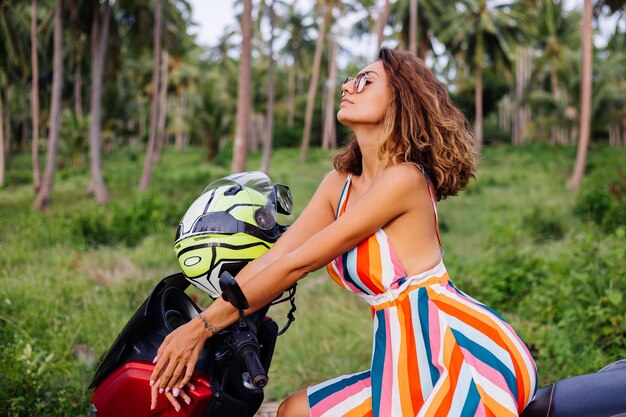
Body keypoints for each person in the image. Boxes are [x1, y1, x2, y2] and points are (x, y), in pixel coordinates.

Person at [149, 47, 538, 416]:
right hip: (399, 360)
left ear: (400, 100)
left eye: (365, 82)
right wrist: (205, 316)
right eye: (350, 79)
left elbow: (301, 262)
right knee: (293, 411)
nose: (347, 86)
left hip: (451, 353)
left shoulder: (404, 179)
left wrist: (202, 327)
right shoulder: (340, 183)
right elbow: (278, 255)